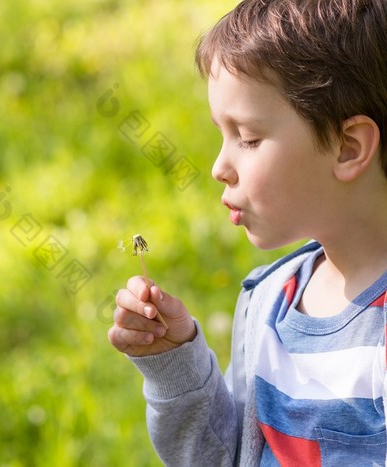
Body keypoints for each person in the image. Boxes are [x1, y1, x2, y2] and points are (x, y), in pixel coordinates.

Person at [108, 0, 387, 465]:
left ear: (347, 148)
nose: (219, 167)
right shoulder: (268, 302)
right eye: (222, 134)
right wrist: (175, 364)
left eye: (249, 138)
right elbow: (225, 457)